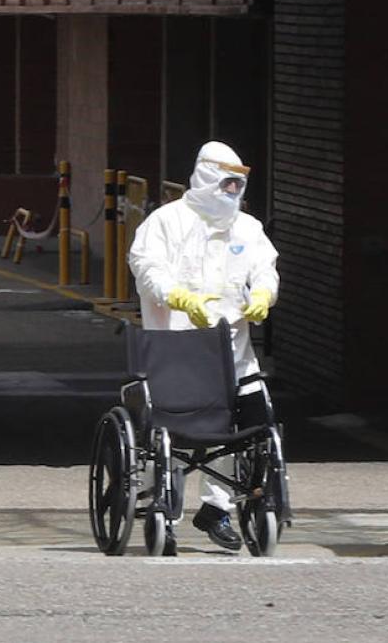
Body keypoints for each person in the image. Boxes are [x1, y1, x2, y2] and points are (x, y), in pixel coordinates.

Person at [128, 140, 279, 551]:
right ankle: (163, 505)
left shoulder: (247, 229)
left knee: (243, 424)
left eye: (238, 186)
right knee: (170, 432)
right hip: (174, 351)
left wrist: (264, 294)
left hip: (232, 355)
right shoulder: (165, 223)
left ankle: (218, 507)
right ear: (208, 177)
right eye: (226, 184)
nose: (232, 193)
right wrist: (179, 297)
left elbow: (266, 269)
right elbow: (147, 269)